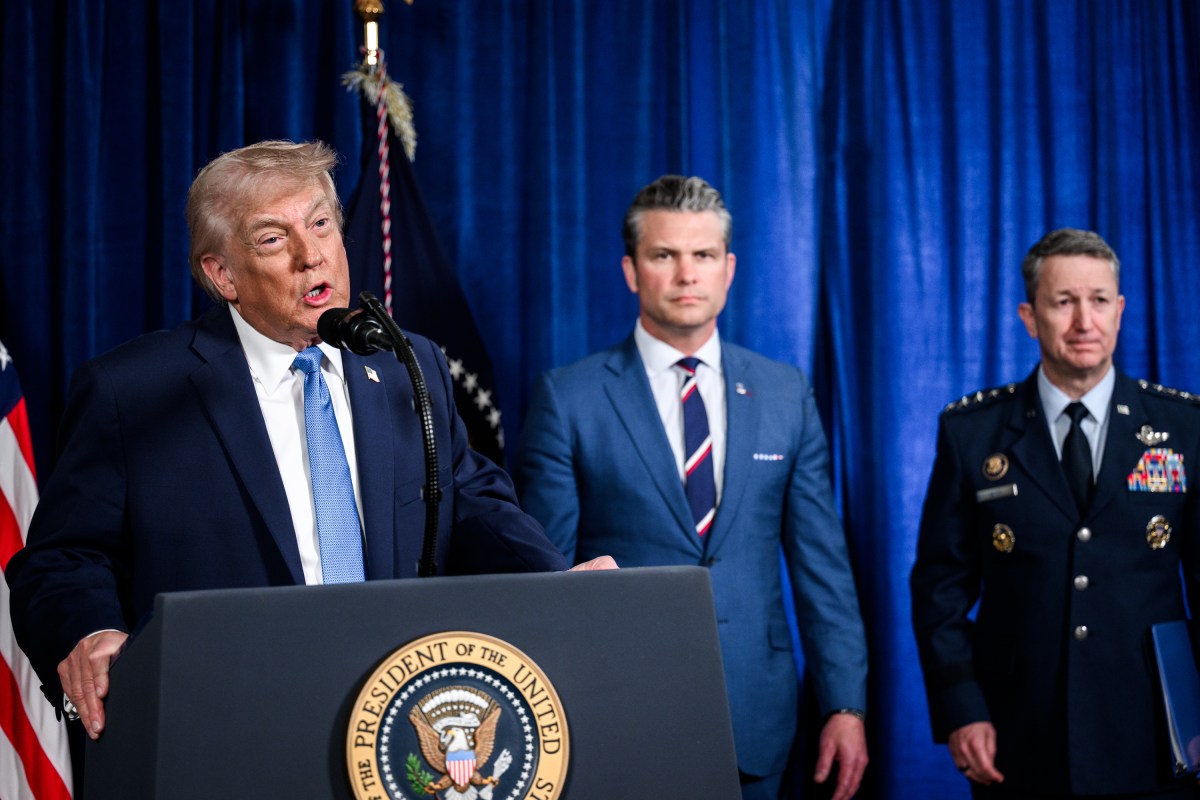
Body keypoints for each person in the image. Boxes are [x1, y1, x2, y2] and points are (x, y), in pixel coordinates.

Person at [6, 139, 612, 743]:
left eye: (320, 225)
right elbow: (61, 558)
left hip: (390, 717)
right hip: (225, 724)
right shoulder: (131, 390)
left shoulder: (407, 363)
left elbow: (469, 499)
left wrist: (557, 585)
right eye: (273, 239)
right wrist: (88, 632)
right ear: (223, 275)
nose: (310, 256)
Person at [514, 175, 869, 800]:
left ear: (728, 269)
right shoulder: (568, 398)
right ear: (631, 270)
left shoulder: (786, 393)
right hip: (617, 711)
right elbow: (546, 578)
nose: (686, 274)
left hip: (757, 717)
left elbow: (823, 568)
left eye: (703, 256)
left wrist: (846, 706)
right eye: (663, 255)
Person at [910, 228, 1200, 798]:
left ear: (1119, 311)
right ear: (1029, 316)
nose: (1083, 322)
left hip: (1154, 729)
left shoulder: (1185, 429)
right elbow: (939, 588)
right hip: (1021, 730)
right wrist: (963, 707)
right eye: (1063, 302)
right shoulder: (973, 433)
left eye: (1098, 301)